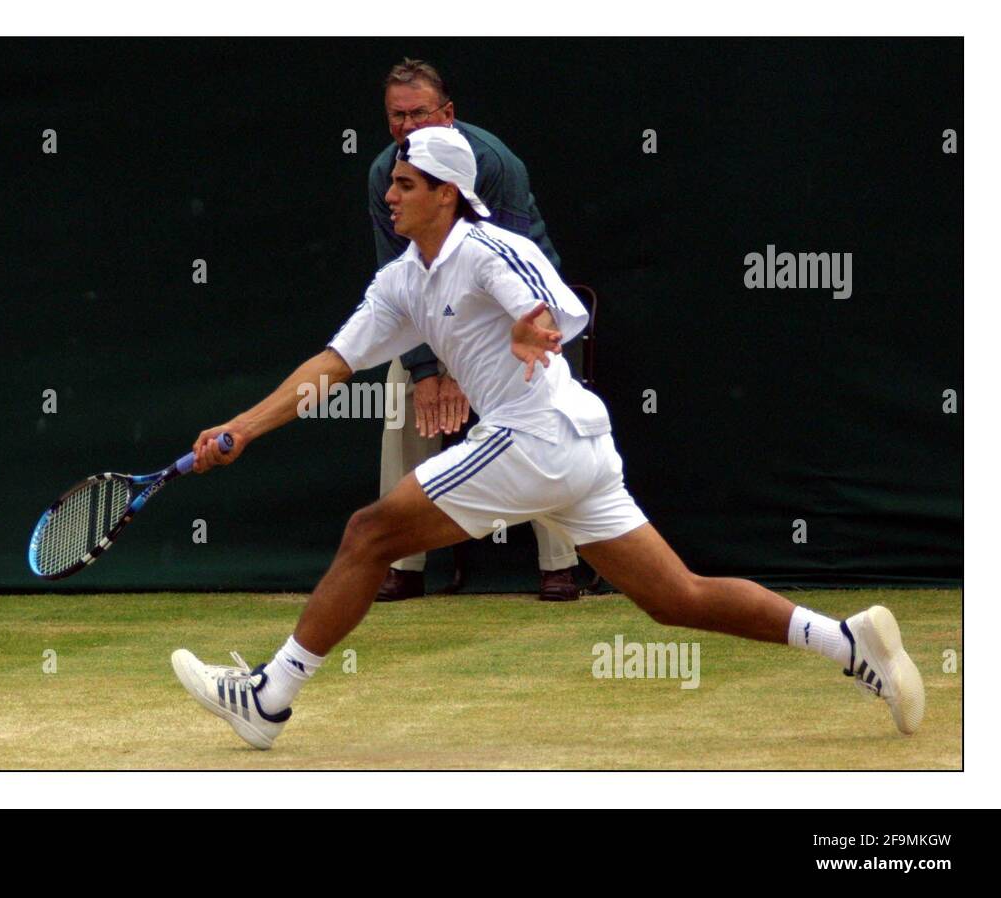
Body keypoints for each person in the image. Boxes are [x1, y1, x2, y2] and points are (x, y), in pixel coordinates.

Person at [171, 127, 925, 751]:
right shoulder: (404, 279)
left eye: (405, 183)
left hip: (535, 437)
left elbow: (559, 309)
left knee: (369, 532)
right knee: (676, 598)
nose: (389, 193)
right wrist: (242, 426)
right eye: (390, 182)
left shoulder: (488, 247)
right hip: (576, 452)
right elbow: (333, 365)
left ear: (446, 194)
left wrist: (536, 328)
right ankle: (849, 644)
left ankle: (269, 698)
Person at [369, 58, 580, 602]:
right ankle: (402, 561)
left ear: (448, 113)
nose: (408, 126)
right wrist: (425, 371)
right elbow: (398, 284)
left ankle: (559, 564)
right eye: (398, 115)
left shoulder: (493, 162)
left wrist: (463, 368)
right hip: (435, 319)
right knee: (399, 394)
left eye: (420, 113)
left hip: (524, 318)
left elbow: (512, 273)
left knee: (540, 411)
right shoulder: (382, 176)